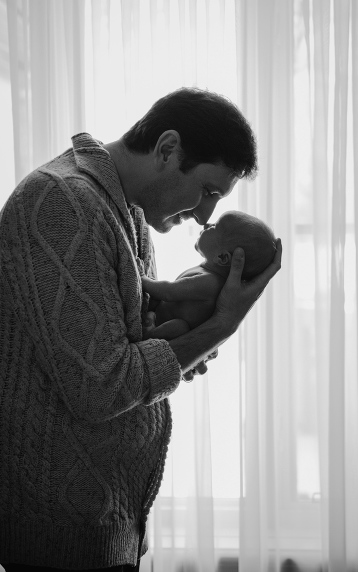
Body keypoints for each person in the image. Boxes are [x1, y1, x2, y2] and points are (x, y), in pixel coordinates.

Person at [0, 88, 281, 571]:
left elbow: (122, 350)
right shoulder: (63, 201)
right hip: (62, 535)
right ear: (167, 149)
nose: (204, 214)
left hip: (108, 522)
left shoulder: (125, 209)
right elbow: (100, 387)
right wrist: (221, 325)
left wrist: (178, 349)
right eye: (208, 190)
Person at [142, 211, 277, 340]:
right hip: (160, 311)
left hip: (161, 322)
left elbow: (168, 292)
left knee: (179, 327)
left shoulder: (209, 282)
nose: (207, 224)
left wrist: (143, 278)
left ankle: (149, 336)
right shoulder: (210, 276)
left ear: (222, 257)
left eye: (214, 226)